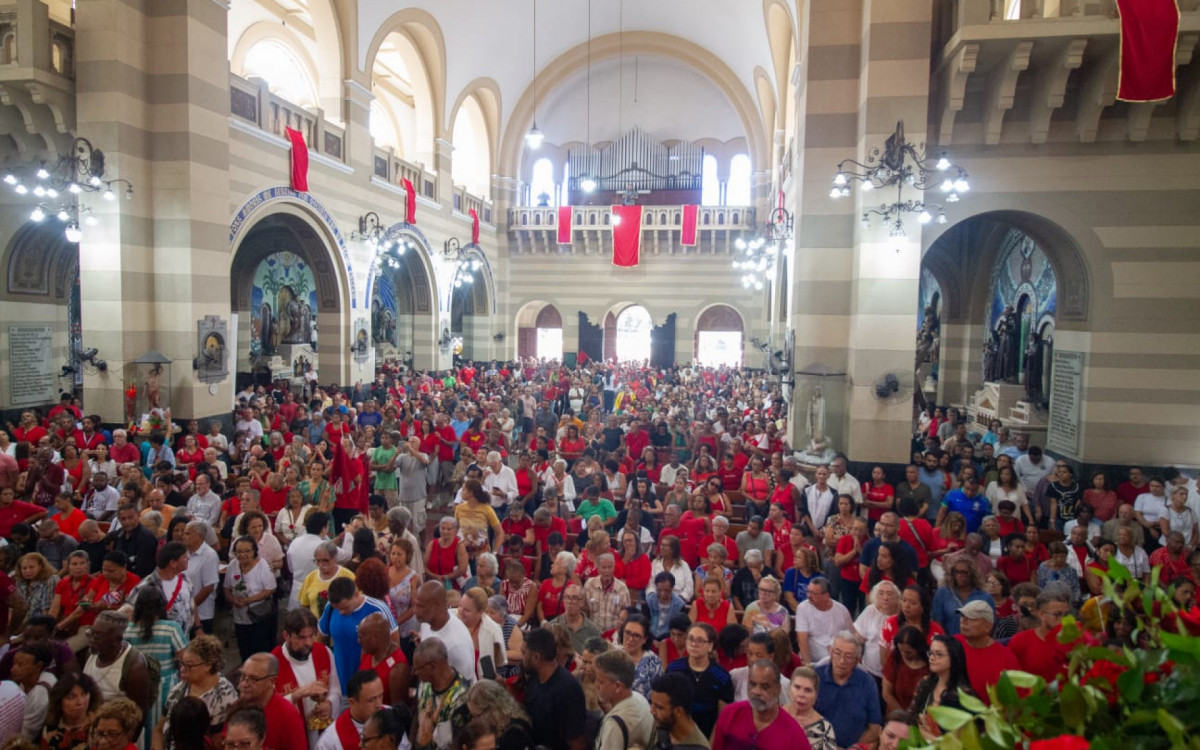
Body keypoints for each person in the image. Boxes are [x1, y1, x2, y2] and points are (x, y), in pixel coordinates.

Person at [122, 585, 186, 750]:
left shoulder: (128, 629)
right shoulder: (171, 628)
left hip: (135, 687)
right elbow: (185, 657)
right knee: (160, 730)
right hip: (165, 687)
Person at [273, 607, 341, 747]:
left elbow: (335, 689)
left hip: (322, 737)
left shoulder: (324, 652)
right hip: (293, 738)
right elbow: (269, 707)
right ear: (286, 636)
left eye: (311, 636)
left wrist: (329, 704)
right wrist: (297, 695)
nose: (308, 643)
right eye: (301, 637)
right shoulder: (273, 664)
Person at [320, 577, 399, 696]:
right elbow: (320, 640)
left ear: (356, 594)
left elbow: (395, 648)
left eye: (345, 607)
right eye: (337, 609)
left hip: (368, 688)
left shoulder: (378, 608)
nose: (341, 612)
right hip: (338, 686)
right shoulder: (330, 607)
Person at [159, 635, 237, 744]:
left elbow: (217, 744)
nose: (182, 669)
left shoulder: (224, 696)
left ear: (208, 665)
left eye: (189, 665)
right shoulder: (179, 689)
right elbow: (158, 729)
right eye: (181, 663)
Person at [811, 632, 881, 749]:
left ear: (857, 660)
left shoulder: (868, 683)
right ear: (830, 652)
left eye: (848, 656)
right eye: (837, 653)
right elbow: (802, 715)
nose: (842, 661)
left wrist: (853, 747)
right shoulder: (815, 677)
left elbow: (874, 728)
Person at [522, 628, 588, 750]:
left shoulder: (566, 690)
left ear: (536, 657)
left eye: (524, 653)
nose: (522, 658)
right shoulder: (534, 678)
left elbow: (577, 742)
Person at [664, 623, 732, 737]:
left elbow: (722, 717)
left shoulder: (721, 676)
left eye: (700, 640)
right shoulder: (673, 669)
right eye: (690, 639)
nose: (694, 644)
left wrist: (711, 743)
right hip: (675, 732)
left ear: (710, 646)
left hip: (707, 733)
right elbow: (666, 704)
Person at [81, 611, 151, 714]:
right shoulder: (93, 652)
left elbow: (139, 712)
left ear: (117, 640)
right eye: (91, 633)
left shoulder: (134, 667)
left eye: (99, 636)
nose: (92, 639)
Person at [235, 654, 308, 750]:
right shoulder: (237, 707)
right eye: (242, 676)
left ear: (272, 681)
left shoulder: (288, 716)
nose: (244, 684)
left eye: (253, 679)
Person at [953, 601, 1019, 705]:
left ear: (987, 626)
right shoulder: (951, 645)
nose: (964, 621)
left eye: (972, 618)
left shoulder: (1006, 658)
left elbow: (1016, 697)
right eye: (962, 616)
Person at [909, 635, 974, 736]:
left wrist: (925, 735)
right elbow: (911, 715)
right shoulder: (925, 683)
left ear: (953, 657)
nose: (931, 658)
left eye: (939, 654)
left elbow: (959, 740)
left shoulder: (964, 695)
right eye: (930, 653)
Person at [225, 535, 277, 659]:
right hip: (240, 617)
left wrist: (248, 600)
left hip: (259, 615)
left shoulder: (262, 565)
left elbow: (271, 589)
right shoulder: (233, 565)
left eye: (247, 551)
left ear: (254, 551)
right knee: (244, 650)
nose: (243, 555)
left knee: (261, 651)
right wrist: (233, 599)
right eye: (239, 551)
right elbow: (226, 587)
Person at [1006, 588, 1074, 683]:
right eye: (1057, 614)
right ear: (1042, 614)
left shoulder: (1074, 641)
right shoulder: (1019, 641)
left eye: (1066, 615)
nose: (1063, 619)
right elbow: (1010, 677)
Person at [413, 581, 476, 683]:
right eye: (415, 605)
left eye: (421, 606)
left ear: (437, 606)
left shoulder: (457, 645)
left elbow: (465, 685)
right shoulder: (427, 621)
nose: (415, 610)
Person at [594, 650, 655, 750]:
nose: (596, 686)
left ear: (618, 686)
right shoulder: (641, 699)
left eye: (600, 682)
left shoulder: (614, 725)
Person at [316, 670, 386, 750]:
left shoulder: (393, 718)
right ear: (352, 702)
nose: (379, 705)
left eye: (380, 696)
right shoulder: (330, 741)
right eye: (371, 700)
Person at [794, 578, 853, 666]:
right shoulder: (802, 608)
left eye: (814, 593)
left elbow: (851, 635)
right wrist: (807, 664)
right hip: (813, 661)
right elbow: (802, 639)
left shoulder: (842, 610)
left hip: (836, 662)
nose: (809, 596)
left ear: (826, 595)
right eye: (808, 592)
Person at [357, 612, 411, 706]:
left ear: (376, 637)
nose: (358, 641)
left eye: (361, 637)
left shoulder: (398, 669)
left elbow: (397, 711)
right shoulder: (366, 653)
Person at [40, 671, 104, 750]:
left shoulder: (100, 726)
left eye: (84, 694)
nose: (80, 702)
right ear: (59, 701)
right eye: (71, 697)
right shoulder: (51, 729)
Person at [462, 679, 533, 750]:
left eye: (477, 716)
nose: (474, 721)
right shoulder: (498, 730)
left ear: (491, 709)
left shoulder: (514, 734)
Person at [931, 558, 994, 636]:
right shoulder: (942, 593)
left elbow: (990, 624)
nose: (960, 575)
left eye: (964, 572)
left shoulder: (985, 596)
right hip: (949, 640)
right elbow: (937, 622)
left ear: (972, 574)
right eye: (956, 572)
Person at [648, 672, 709, 750]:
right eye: (652, 703)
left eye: (659, 707)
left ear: (678, 711)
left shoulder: (699, 747)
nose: (652, 711)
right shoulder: (662, 722)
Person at [782, 667, 836, 750]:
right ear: (789, 689)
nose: (801, 694)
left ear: (816, 695)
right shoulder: (774, 715)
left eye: (808, 690)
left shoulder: (824, 729)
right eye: (797, 687)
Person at [12, 642, 56, 741]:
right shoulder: (25, 682)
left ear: (38, 666)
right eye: (14, 663)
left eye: (20, 665)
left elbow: (26, 738)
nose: (13, 669)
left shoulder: (39, 695)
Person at [882, 626, 930, 714]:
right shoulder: (895, 657)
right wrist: (903, 716)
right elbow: (887, 693)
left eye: (908, 652)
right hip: (896, 713)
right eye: (901, 650)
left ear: (919, 649)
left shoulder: (929, 664)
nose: (903, 654)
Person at [182, 521, 219, 634]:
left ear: (199, 536)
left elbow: (208, 587)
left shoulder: (210, 555)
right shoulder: (184, 552)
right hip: (183, 613)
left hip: (202, 614)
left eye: (188, 533)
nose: (183, 536)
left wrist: (190, 606)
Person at [583, 554, 631, 634]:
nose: (607, 571)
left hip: (614, 634)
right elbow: (583, 611)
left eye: (610, 567)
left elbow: (627, 615)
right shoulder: (589, 585)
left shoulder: (622, 588)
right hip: (592, 633)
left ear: (613, 568)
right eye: (604, 567)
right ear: (598, 569)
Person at [619, 614, 662, 700]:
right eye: (627, 633)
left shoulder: (653, 662)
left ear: (645, 639)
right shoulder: (613, 655)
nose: (630, 639)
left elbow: (659, 694)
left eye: (636, 636)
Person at [550, 584, 601, 656]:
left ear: (582, 602)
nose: (570, 602)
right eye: (567, 597)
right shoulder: (552, 626)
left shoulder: (593, 630)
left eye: (574, 598)